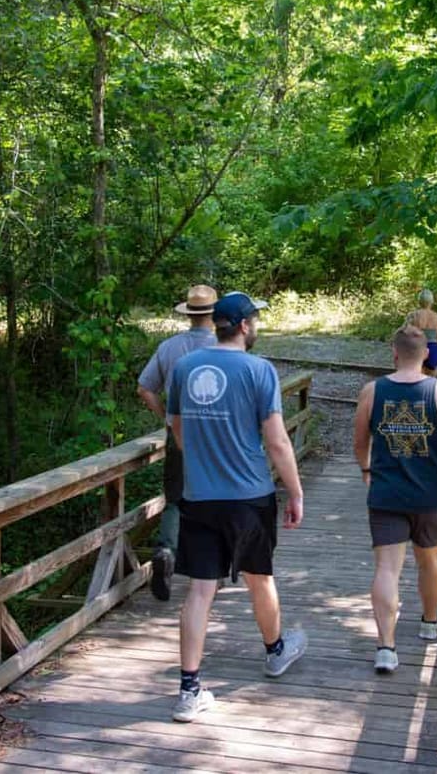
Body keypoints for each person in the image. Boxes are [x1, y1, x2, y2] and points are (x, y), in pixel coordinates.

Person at [166, 291, 307, 723]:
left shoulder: (185, 367)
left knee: (199, 590)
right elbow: (278, 440)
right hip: (248, 496)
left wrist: (199, 459)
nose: (257, 326)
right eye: (256, 320)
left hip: (200, 497)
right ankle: (275, 652)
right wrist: (296, 491)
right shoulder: (259, 370)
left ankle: (189, 691)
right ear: (244, 325)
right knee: (259, 579)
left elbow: (174, 424)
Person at [352, 324, 437, 674]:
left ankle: (386, 647)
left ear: (394, 352)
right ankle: (430, 623)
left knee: (387, 569)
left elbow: (359, 440)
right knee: (429, 563)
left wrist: (366, 470)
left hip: (386, 493)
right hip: (430, 495)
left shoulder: (373, 391)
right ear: (427, 356)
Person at [137, 284, 218, 601]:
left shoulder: (169, 347)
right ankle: (209, 565)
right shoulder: (225, 347)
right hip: (216, 434)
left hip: (179, 432)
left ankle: (167, 550)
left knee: (176, 499)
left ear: (188, 314)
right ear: (213, 314)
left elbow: (144, 388)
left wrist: (166, 417)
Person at [405, 288, 437, 376]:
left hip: (417, 348)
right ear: (432, 301)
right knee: (431, 384)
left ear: (419, 301)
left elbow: (405, 334)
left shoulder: (413, 315)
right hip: (432, 349)